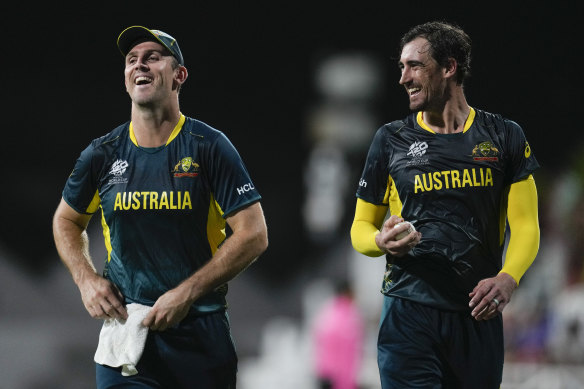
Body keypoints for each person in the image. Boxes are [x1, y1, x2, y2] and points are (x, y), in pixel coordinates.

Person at [52, 26, 268, 388]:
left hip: (201, 335)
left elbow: (254, 234)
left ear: (179, 75)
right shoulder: (102, 153)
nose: (141, 65)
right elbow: (66, 219)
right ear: (125, 78)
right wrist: (85, 279)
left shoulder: (209, 146)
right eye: (132, 60)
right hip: (127, 336)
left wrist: (186, 292)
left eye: (153, 57)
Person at [350, 20, 540, 388]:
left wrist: (508, 277)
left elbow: (527, 225)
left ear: (449, 67)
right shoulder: (390, 140)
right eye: (401, 67)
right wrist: (378, 242)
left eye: (414, 65)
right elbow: (360, 227)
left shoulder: (504, 136)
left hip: (477, 314)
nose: (403, 78)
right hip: (408, 310)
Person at [312, 280, 364, 389]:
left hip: (324, 374)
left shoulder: (326, 311)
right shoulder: (350, 315)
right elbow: (349, 352)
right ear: (348, 293)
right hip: (341, 379)